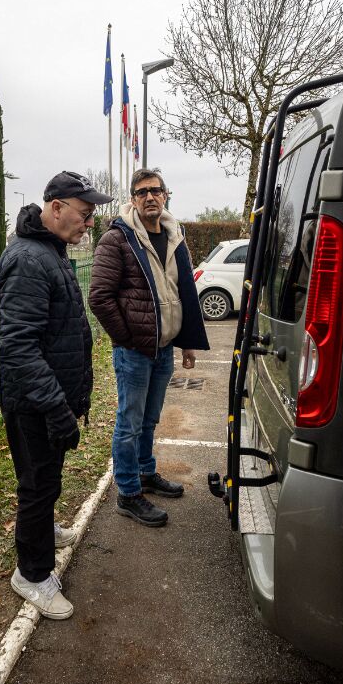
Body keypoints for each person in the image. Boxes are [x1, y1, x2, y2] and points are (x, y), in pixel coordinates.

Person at [0, 171, 112, 619]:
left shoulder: (50, 251)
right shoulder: (29, 259)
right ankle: (32, 574)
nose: (89, 223)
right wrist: (56, 407)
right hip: (33, 402)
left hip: (47, 397)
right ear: (56, 207)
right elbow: (18, 346)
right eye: (85, 214)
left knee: (46, 479)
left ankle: (43, 531)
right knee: (37, 484)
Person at [88, 168, 209, 527]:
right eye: (141, 192)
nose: (149, 197)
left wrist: (187, 343)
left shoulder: (174, 236)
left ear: (165, 195)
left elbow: (184, 291)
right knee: (129, 423)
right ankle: (128, 492)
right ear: (133, 199)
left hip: (164, 348)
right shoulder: (117, 239)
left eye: (155, 190)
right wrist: (127, 339)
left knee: (149, 419)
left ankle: (145, 472)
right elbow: (99, 297)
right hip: (135, 352)